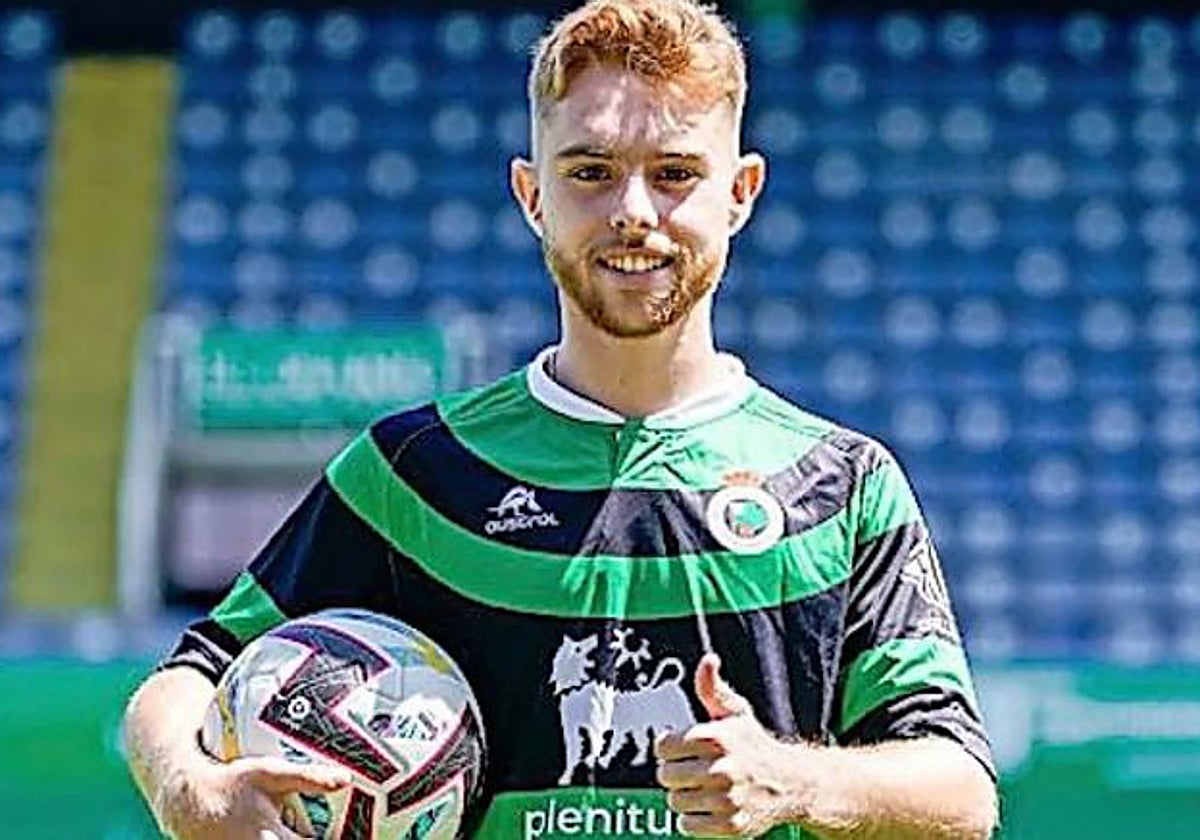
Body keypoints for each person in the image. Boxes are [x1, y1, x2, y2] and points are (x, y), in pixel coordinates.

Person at [124, 0, 999, 837]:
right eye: (589, 172)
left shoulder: (840, 485)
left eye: (675, 174)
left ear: (740, 192)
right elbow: (188, 682)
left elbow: (960, 789)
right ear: (530, 193)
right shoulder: (415, 472)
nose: (632, 212)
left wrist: (794, 779)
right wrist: (188, 789)